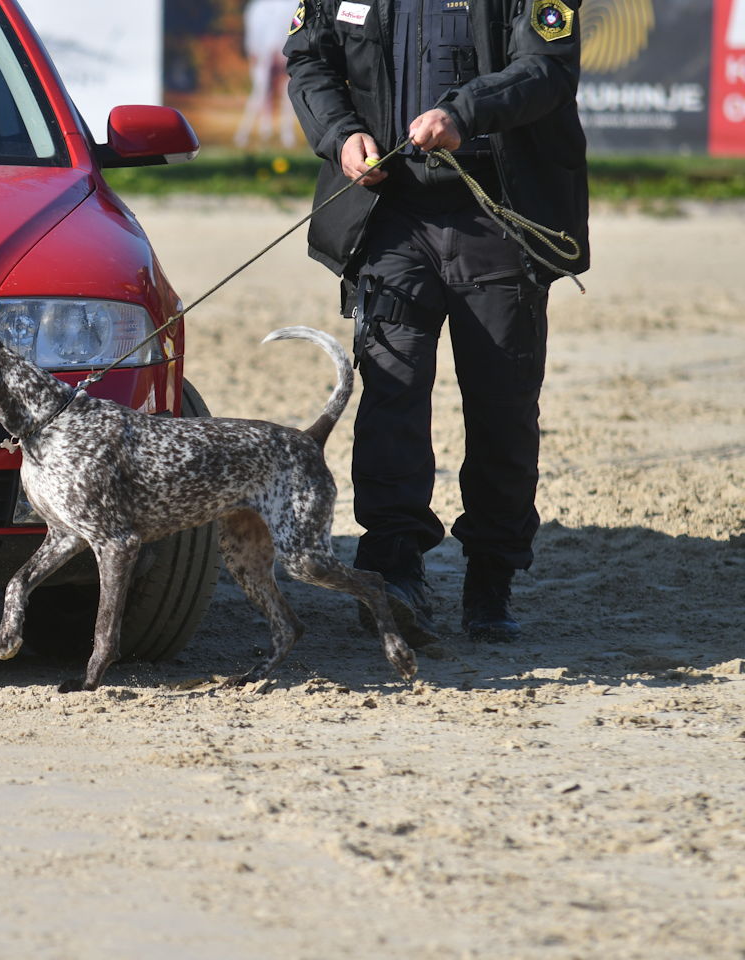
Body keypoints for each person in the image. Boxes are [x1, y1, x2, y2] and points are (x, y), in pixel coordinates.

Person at [283, 0, 590, 644]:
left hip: (496, 215)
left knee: (503, 409)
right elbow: (310, 61)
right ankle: (395, 572)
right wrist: (341, 135)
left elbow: (547, 69)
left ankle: (491, 579)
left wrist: (462, 112)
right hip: (388, 217)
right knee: (390, 394)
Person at [235, 0, 299, 149]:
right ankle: (253, 132)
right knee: (260, 92)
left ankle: (287, 134)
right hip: (264, 53)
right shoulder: (257, 7)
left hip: (285, 52)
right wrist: (256, 53)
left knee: (287, 94)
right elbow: (253, 36)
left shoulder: (293, 4)